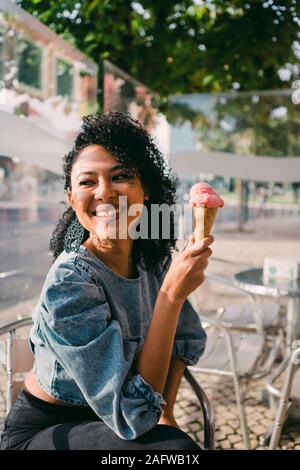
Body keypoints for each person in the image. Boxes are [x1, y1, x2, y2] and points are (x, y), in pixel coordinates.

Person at [0, 112, 213, 450]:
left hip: (108, 421)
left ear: (146, 191)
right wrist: (170, 295)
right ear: (72, 199)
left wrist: (166, 412)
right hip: (48, 431)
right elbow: (132, 416)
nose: (104, 192)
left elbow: (184, 337)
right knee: (176, 452)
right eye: (87, 182)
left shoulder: (150, 262)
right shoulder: (69, 283)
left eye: (121, 176)